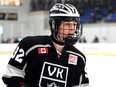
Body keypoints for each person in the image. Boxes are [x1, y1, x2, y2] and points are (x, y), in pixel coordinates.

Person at [2, 3, 89, 87]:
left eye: (74, 24)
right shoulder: (30, 46)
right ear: (54, 25)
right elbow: (11, 76)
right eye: (67, 24)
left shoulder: (79, 58)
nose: (72, 29)